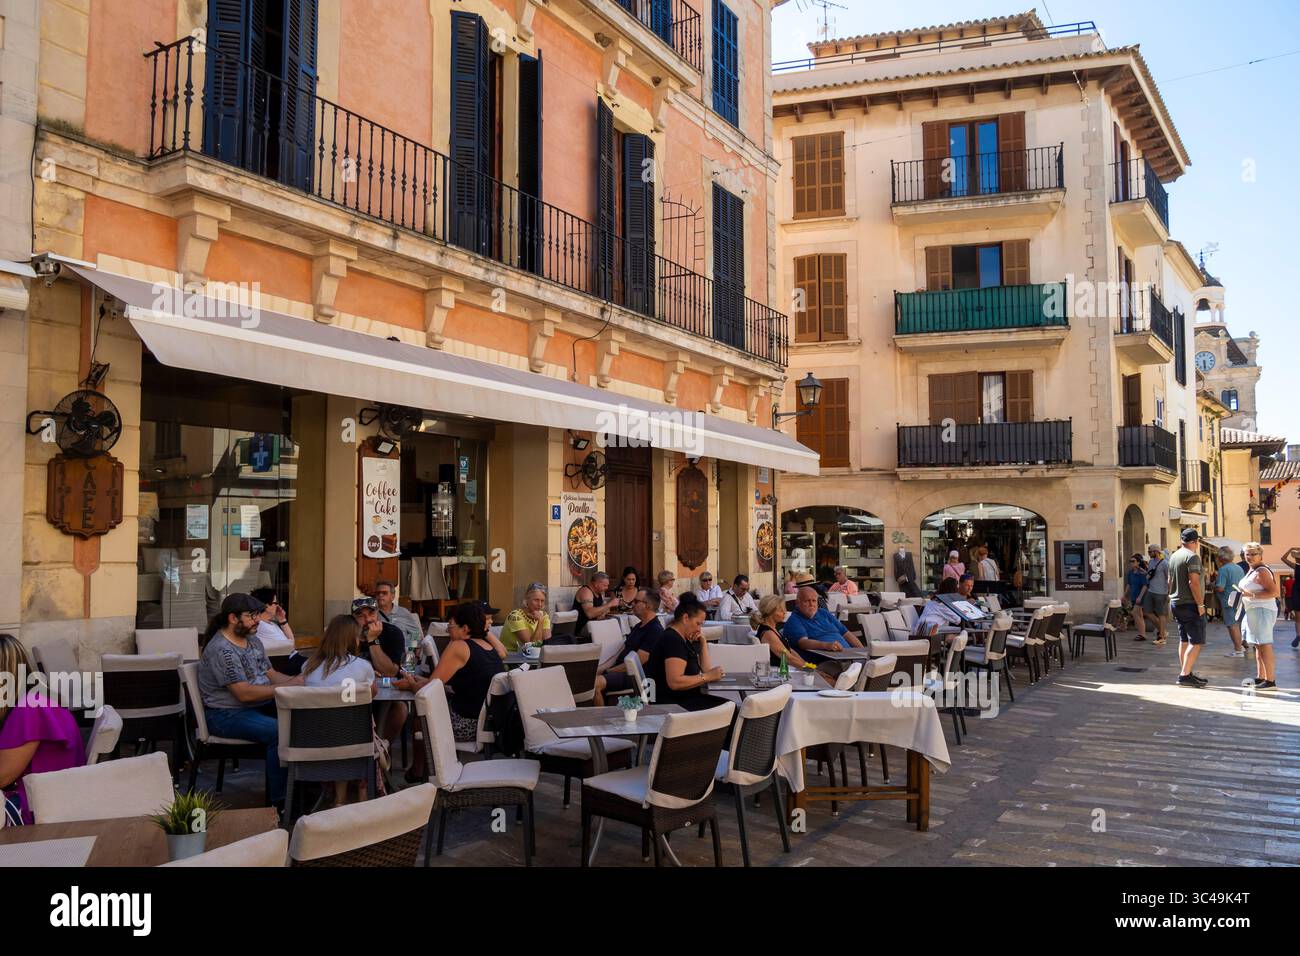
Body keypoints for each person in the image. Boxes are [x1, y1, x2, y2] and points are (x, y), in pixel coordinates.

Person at [198, 593, 303, 810]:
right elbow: (243, 694)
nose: (258, 620)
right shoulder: (222, 650)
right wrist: (287, 687)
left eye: (257, 614)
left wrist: (302, 682)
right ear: (233, 618)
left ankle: (304, 788)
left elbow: (271, 675)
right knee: (279, 731)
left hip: (256, 706)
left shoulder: (253, 641)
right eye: (251, 615)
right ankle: (281, 802)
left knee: (305, 717)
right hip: (225, 714)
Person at [0, 634, 85, 825]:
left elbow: (2, 776)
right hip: (52, 801)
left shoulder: (29, 711)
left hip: (35, 809)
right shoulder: (32, 701)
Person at [396, 602, 507, 741]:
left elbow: (430, 691)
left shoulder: (459, 647)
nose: (448, 631)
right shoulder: (488, 647)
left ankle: (425, 763)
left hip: (468, 726)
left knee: (422, 712)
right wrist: (422, 681)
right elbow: (466, 683)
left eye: (450, 625)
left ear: (465, 629)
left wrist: (411, 684)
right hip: (493, 723)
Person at [300, 615, 380, 805]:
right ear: (353, 639)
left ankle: (340, 798)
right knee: (360, 725)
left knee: (338, 724)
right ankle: (362, 793)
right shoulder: (362, 667)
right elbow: (371, 694)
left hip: (311, 741)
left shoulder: (308, 667)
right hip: (351, 744)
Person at [644, 595, 729, 712]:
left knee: (729, 706)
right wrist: (708, 677)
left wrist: (703, 642)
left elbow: (706, 669)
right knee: (730, 709)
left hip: (683, 699)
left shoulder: (682, 638)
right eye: (698, 623)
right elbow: (675, 682)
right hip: (671, 704)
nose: (699, 629)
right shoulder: (672, 640)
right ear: (685, 618)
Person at [352, 596, 408, 745]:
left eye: (371, 613)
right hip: (354, 694)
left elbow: (390, 672)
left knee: (401, 710)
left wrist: (372, 640)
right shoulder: (347, 635)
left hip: (385, 690)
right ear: (352, 619)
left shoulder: (392, 633)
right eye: (360, 615)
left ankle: (382, 751)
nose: (368, 619)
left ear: (378, 613)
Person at [600, 588, 665, 694]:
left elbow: (636, 663)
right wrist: (600, 668)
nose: (632, 604)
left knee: (596, 683)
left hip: (636, 676)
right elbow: (618, 653)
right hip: (621, 670)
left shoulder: (655, 631)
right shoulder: (638, 626)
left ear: (647, 605)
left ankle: (600, 711)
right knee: (589, 678)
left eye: (636, 601)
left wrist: (608, 671)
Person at [1168, 528, 1208, 688]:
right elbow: (1194, 582)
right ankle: (1184, 675)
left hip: (1176, 602)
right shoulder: (1192, 557)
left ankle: (1186, 671)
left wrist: (1171, 595)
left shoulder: (1175, 556)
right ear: (1195, 542)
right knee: (1196, 641)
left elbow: (1169, 580)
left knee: (1184, 639)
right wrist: (1200, 604)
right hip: (1190, 603)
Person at [781, 586, 863, 662]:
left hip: (848, 656)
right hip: (828, 661)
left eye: (814, 601)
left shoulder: (824, 613)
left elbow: (846, 633)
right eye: (807, 601)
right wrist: (827, 646)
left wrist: (862, 651)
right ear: (797, 602)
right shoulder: (795, 620)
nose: (811, 604)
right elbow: (803, 643)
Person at [1238, 542, 1279, 689]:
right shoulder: (1252, 570)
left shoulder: (1261, 571)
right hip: (1253, 610)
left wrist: (1251, 595)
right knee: (1257, 645)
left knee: (1264, 644)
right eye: (1247, 554)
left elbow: (1274, 592)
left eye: (1253, 554)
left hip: (1263, 610)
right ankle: (1261, 676)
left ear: (1261, 555)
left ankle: (1270, 680)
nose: (1250, 557)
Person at [1214, 546, 1246, 657]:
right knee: (1237, 624)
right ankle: (1240, 647)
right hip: (1240, 598)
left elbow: (1220, 588)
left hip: (1228, 600)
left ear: (1221, 558)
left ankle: (1238, 650)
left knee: (1232, 625)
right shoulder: (1238, 568)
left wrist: (1213, 585)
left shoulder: (1223, 569)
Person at [502, 583, 552, 652]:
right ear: (527, 598)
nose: (540, 604)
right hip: (511, 657)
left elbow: (547, 642)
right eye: (536, 600)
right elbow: (532, 645)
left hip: (532, 657)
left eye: (542, 601)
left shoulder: (544, 615)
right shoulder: (515, 617)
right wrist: (540, 621)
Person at [1136, 544, 1170, 644]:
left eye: (1150, 551)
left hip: (1161, 592)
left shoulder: (1165, 564)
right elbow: (1150, 575)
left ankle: (1162, 637)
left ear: (1156, 552)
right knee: (1147, 611)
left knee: (1161, 614)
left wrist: (1169, 592)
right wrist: (1144, 572)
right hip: (1151, 590)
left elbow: (1169, 578)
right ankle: (1162, 630)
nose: (1149, 553)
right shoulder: (1150, 562)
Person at [374, 580, 423, 648]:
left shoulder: (403, 612)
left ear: (392, 596)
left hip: (402, 654)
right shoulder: (372, 614)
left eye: (384, 593)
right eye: (378, 593)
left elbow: (416, 634)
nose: (380, 595)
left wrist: (410, 651)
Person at [574, 571, 616, 637]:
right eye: (605, 585)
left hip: (595, 624)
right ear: (596, 584)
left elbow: (601, 611)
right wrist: (609, 604)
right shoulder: (586, 591)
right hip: (583, 628)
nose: (607, 588)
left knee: (615, 624)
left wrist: (603, 611)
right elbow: (590, 614)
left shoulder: (598, 593)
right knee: (612, 630)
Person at [1281, 547, 1300, 648]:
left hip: (1297, 594)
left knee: (1298, 619)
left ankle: (1298, 635)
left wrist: (1290, 549)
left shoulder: (1296, 567)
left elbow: (1283, 558)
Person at [1124, 554, 1148, 636]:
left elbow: (1145, 585)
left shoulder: (1142, 572)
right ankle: (1142, 634)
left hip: (1140, 597)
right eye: (1130, 561)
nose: (1131, 563)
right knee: (1139, 615)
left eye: (1133, 561)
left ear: (1138, 562)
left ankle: (1142, 634)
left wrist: (1140, 597)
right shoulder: (1130, 572)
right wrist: (1124, 595)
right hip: (1133, 596)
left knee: (1135, 613)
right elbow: (1129, 584)